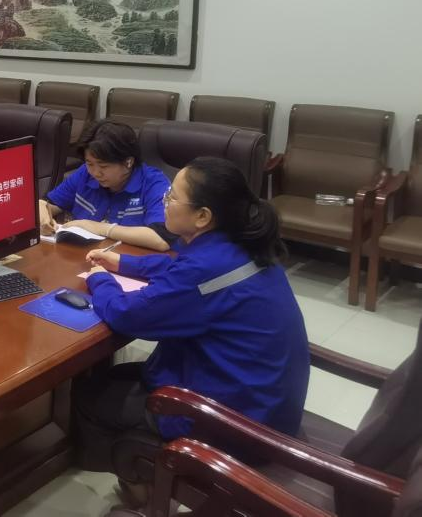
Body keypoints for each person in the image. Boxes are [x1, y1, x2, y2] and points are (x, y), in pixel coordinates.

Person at [74, 157, 309, 500]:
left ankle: (139, 488)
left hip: (234, 424)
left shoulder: (206, 267)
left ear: (202, 216)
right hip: (267, 402)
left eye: (172, 197)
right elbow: (182, 271)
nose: (164, 202)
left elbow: (128, 315)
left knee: (89, 395)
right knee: (117, 376)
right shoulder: (238, 243)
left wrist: (100, 280)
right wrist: (124, 262)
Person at [40, 119, 173, 251]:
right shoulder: (85, 173)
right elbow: (50, 203)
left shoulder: (154, 183)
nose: (95, 173)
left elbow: (161, 239)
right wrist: (41, 209)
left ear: (128, 162)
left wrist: (99, 228)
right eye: (90, 164)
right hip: (82, 256)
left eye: (103, 166)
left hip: (129, 260)